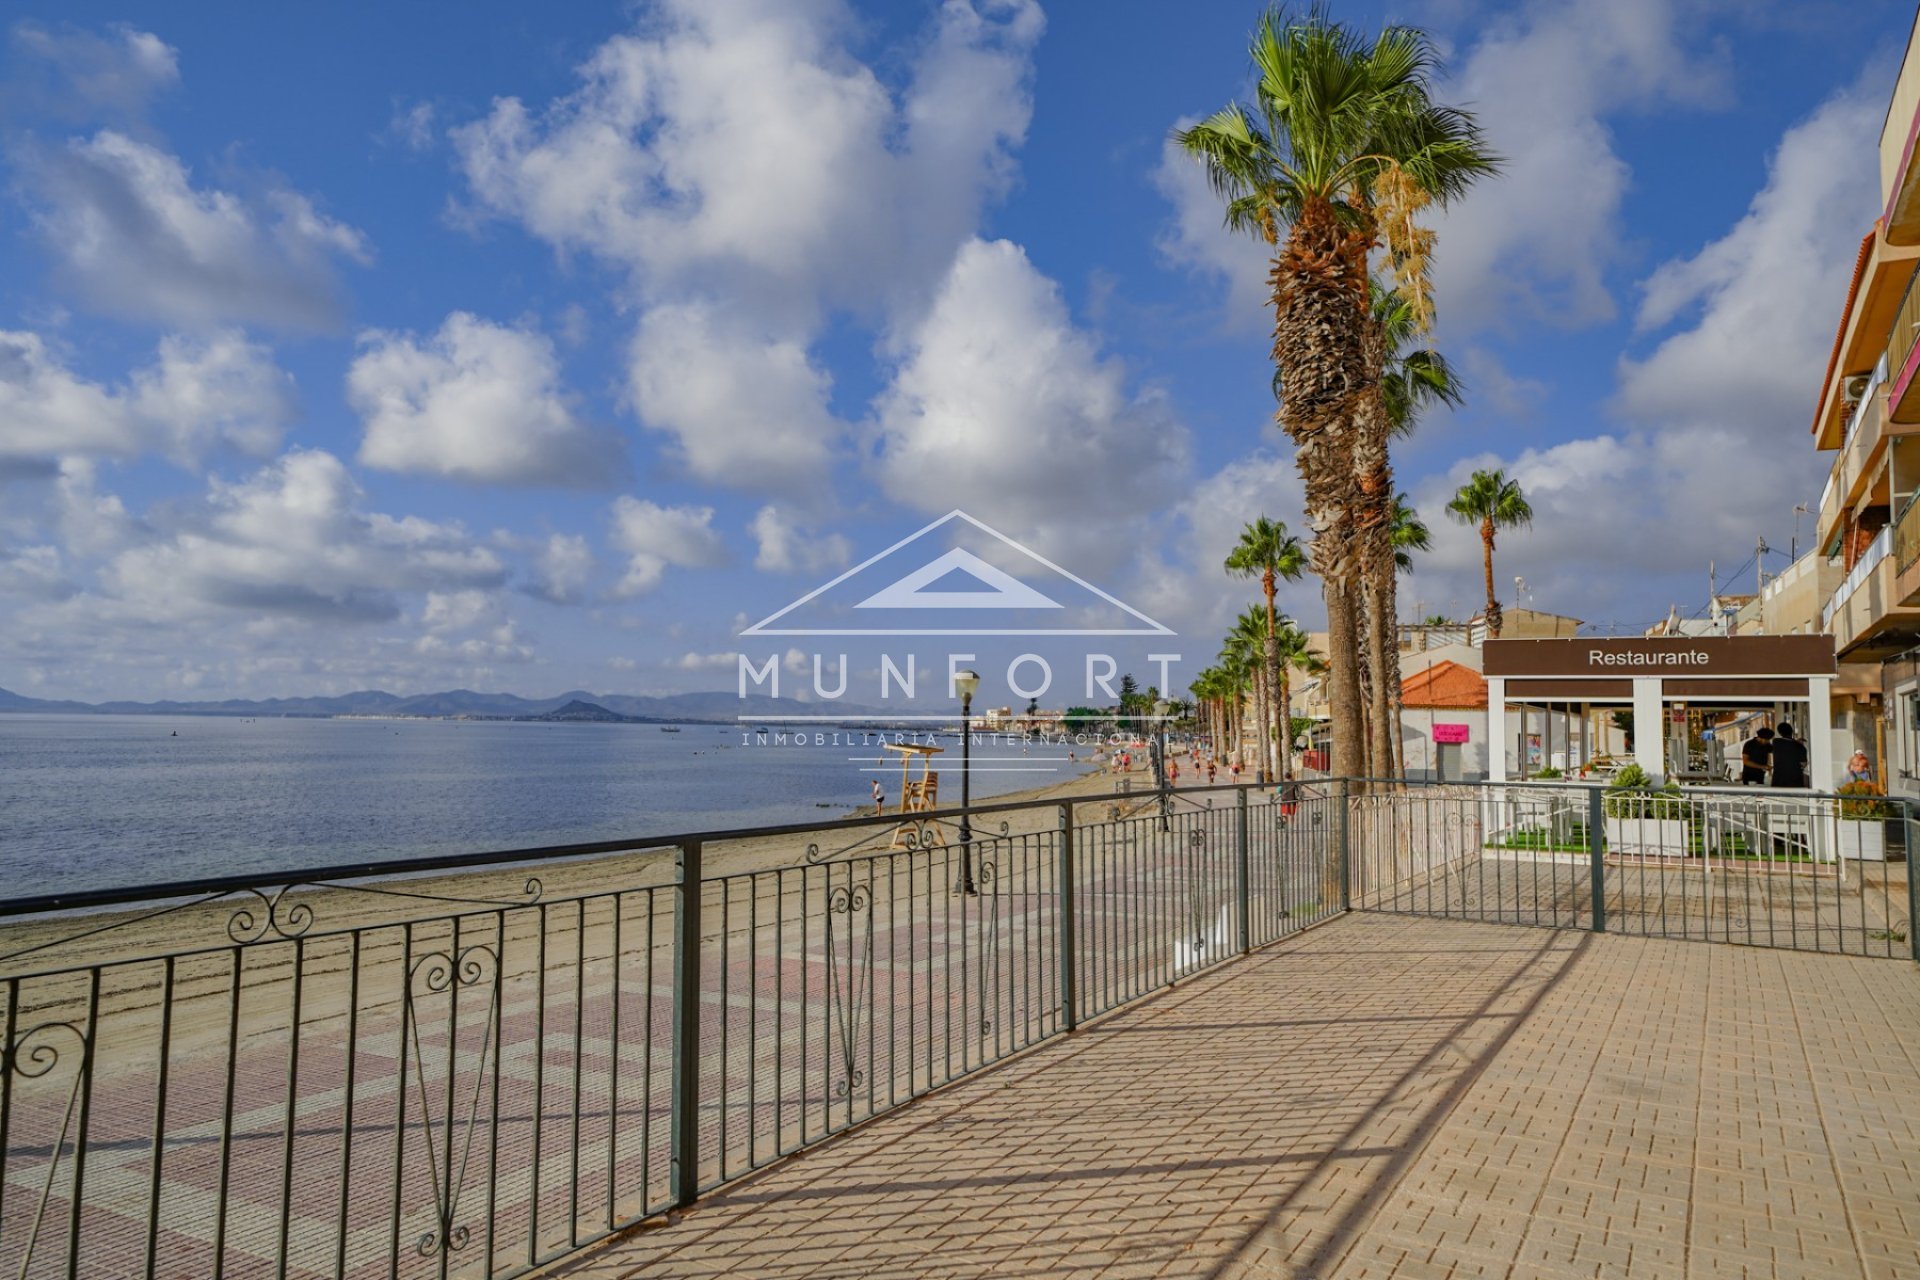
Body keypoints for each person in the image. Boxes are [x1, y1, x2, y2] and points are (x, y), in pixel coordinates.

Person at [1768, 723, 1808, 788]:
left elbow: (1786, 744)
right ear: (1792, 731)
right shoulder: (1800, 747)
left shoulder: (1776, 742)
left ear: (1780, 733)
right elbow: (1804, 764)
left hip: (1778, 780)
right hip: (1795, 780)